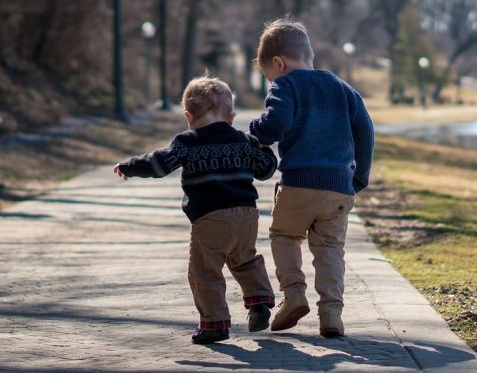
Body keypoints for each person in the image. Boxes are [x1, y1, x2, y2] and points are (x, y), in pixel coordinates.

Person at [113, 76, 278, 344]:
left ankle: (214, 323)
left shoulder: (187, 142)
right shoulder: (244, 140)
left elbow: (160, 164)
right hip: (247, 215)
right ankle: (259, 302)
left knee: (204, 271)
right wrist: (265, 147)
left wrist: (131, 166)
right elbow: (266, 170)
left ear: (188, 115)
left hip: (211, 217)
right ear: (231, 117)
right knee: (245, 259)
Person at [249, 17, 374, 337]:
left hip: (298, 183)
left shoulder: (285, 85)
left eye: (268, 75)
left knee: (284, 236)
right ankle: (331, 313)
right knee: (331, 249)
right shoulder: (343, 88)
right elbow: (365, 131)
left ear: (278, 63)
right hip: (338, 188)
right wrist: (359, 176)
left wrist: (255, 130)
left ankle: (293, 296)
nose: (270, 80)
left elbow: (274, 125)